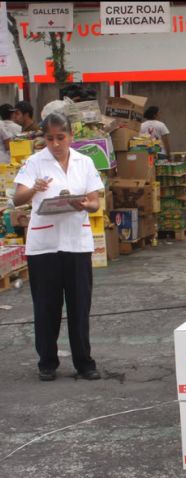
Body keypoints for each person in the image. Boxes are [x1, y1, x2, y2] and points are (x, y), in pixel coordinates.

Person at [12, 112, 104, 382]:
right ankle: (47, 362)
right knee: (46, 306)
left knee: (79, 305)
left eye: (60, 138)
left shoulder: (84, 162)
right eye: (49, 138)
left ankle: (84, 363)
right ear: (43, 138)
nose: (55, 144)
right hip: (44, 246)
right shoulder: (34, 163)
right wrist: (33, 189)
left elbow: (95, 202)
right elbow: (18, 198)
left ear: (71, 137)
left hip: (76, 242)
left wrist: (85, 205)